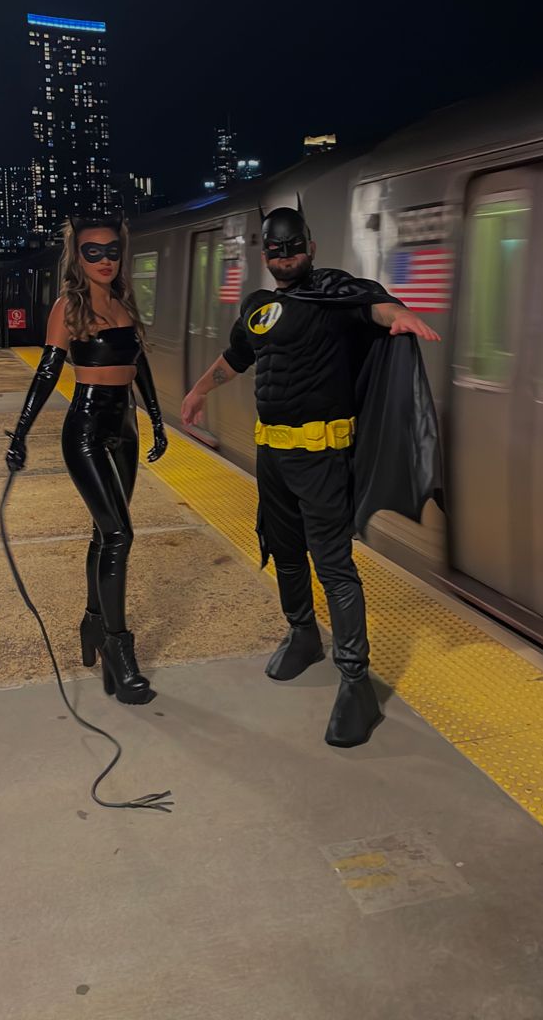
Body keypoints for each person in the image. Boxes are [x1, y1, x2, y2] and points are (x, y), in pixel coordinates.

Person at [181, 201, 441, 747]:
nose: (284, 256)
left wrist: (402, 317)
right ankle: (303, 633)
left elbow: (376, 309)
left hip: (324, 458)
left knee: (334, 565)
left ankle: (355, 681)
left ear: (311, 246)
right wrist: (201, 390)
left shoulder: (336, 295)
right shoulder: (258, 307)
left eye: (293, 246)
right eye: (274, 249)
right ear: (265, 254)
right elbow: (236, 358)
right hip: (272, 456)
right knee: (284, 550)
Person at [5, 216, 168, 705]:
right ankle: (120, 650)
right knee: (120, 534)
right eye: (92, 252)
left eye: (111, 251)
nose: (104, 260)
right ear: (76, 257)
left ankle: (93, 624)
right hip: (86, 429)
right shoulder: (68, 307)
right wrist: (21, 434)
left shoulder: (123, 304)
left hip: (125, 429)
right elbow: (47, 373)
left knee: (105, 531)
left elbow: (139, 369)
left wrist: (157, 421)